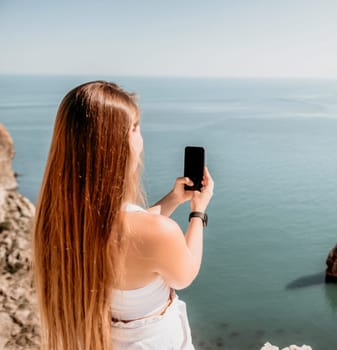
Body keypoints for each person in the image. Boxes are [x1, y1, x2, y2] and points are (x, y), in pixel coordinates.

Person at [32, 81, 213, 350]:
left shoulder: (60, 221)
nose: (141, 135)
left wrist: (174, 197)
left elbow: (124, 230)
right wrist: (198, 212)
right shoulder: (158, 232)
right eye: (135, 126)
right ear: (118, 143)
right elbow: (184, 275)